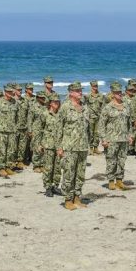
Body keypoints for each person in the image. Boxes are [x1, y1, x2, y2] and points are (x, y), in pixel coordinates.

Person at [56, 82, 89, 210]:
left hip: (82, 146)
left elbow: (88, 128)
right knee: (69, 174)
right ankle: (68, 199)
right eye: (77, 90)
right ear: (70, 92)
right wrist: (59, 147)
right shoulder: (65, 107)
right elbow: (59, 128)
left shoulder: (85, 107)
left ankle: (77, 197)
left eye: (80, 90)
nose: (80, 92)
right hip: (69, 146)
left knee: (80, 174)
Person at [98, 82, 133, 190]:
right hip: (111, 139)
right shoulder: (107, 108)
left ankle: (119, 180)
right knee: (111, 160)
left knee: (122, 160)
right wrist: (103, 139)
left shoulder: (126, 106)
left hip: (124, 139)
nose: (119, 94)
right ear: (112, 94)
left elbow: (129, 123)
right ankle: (111, 181)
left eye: (120, 92)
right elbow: (101, 125)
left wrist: (130, 135)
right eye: (117, 92)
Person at [0, 84, 19, 178]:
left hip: (12, 130)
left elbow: (17, 117)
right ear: (5, 92)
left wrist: (16, 127)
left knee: (11, 150)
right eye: (8, 92)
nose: (10, 93)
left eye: (11, 92)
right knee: (2, 150)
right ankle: (2, 168)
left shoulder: (15, 102)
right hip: (1, 130)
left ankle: (8, 166)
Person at [37, 93, 62, 197]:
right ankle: (47, 187)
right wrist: (38, 144)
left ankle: (55, 186)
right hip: (48, 145)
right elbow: (38, 129)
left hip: (59, 146)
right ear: (50, 103)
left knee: (57, 167)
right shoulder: (45, 114)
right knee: (48, 167)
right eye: (54, 102)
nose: (57, 103)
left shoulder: (61, 115)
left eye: (58, 101)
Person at [84, 80, 105, 155]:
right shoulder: (88, 96)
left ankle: (96, 148)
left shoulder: (101, 95)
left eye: (96, 86)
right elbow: (84, 105)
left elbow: (103, 106)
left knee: (97, 133)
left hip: (98, 117)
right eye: (94, 86)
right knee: (90, 133)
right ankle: (90, 148)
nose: (95, 87)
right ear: (91, 86)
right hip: (90, 117)